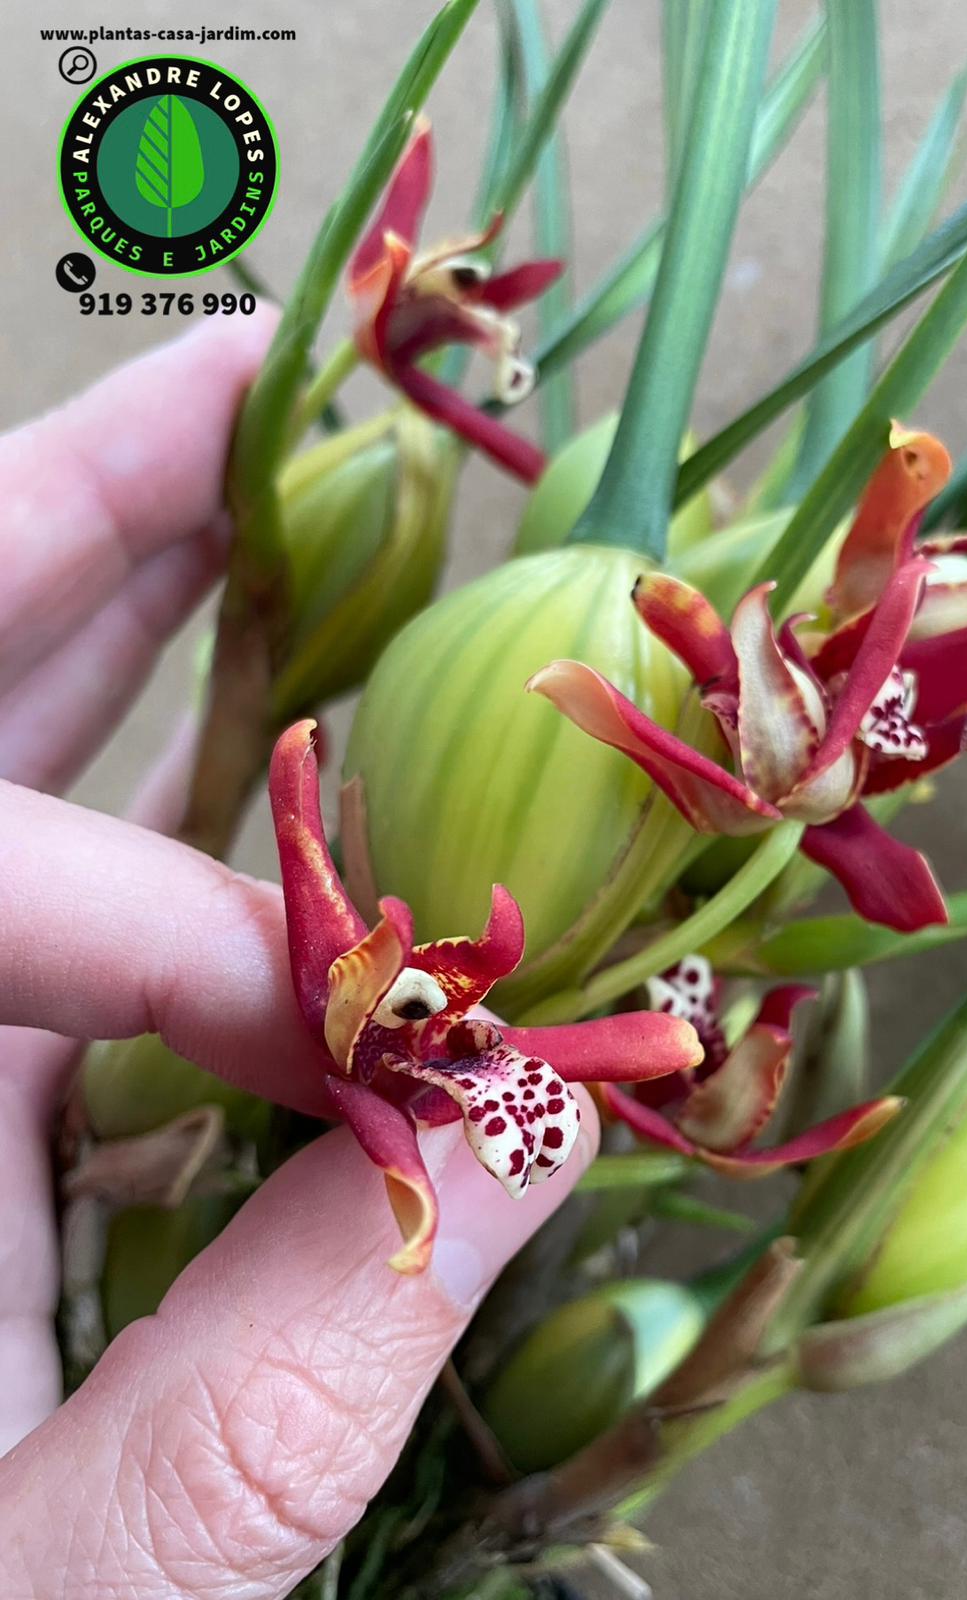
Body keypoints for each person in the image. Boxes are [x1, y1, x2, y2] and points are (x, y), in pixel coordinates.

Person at [0, 318, 595, 1598]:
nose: (443, 1003)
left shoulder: (450, 1059)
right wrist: (426, 1204)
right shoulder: (381, 1049)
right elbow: (299, 823)